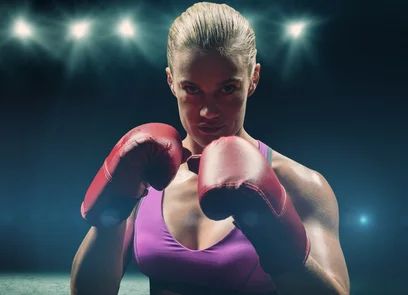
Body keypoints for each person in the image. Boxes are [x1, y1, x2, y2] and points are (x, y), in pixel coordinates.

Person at [70, 2, 350, 295]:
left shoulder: (301, 185)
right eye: (191, 89)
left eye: (227, 89)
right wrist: (112, 210)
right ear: (171, 82)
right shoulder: (146, 174)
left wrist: (277, 239)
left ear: (253, 79)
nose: (207, 112)